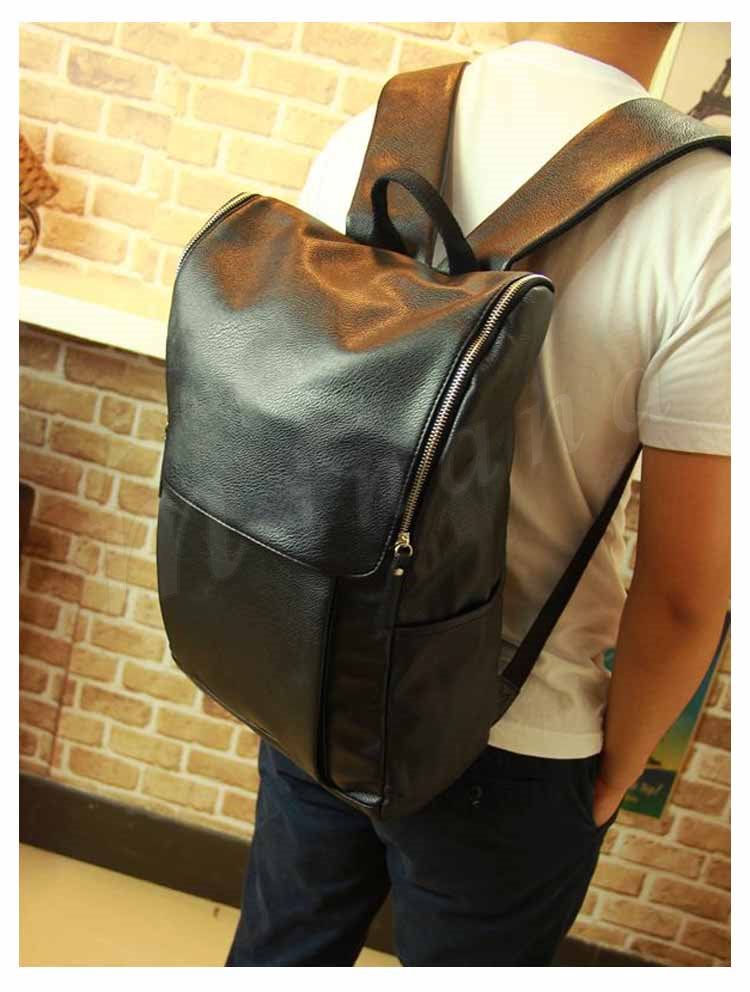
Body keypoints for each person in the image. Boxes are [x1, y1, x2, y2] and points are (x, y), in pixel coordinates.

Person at [225, 22, 730, 966]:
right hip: (519, 734)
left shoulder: (377, 127)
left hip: (320, 671)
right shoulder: (713, 214)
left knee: (281, 953)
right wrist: (613, 775)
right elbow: (684, 593)